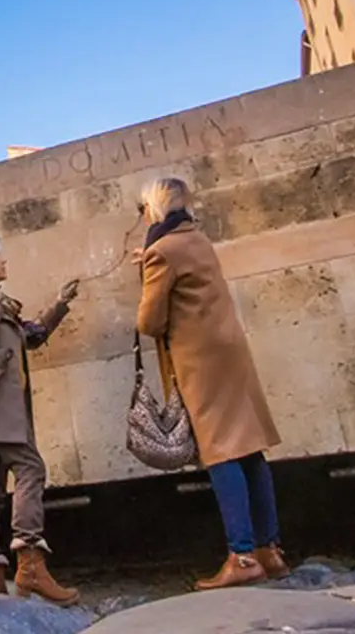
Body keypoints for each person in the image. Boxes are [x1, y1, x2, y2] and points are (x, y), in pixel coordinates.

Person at [132, 177, 288, 590]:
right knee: (249, 448)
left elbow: (149, 321)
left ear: (153, 208)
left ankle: (242, 556)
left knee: (220, 451)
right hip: (230, 354)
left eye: (142, 208)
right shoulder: (197, 239)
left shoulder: (161, 252)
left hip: (200, 361)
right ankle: (269, 550)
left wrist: (146, 271)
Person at [0, 233, 82, 603]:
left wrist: (60, 304)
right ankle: (30, 564)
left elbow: (30, 337)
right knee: (31, 469)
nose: (3, 261)